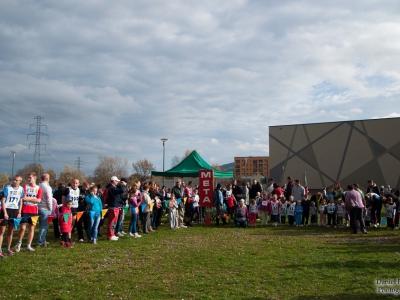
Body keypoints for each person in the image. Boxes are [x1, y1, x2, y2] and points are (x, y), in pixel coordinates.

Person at [15, 172, 42, 252]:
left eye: (30, 177)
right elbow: (23, 198)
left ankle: (28, 245)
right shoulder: (24, 187)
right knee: (23, 228)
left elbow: (38, 200)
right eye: (28, 177)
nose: (28, 179)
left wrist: (29, 199)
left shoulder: (38, 188)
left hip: (34, 210)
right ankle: (19, 243)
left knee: (31, 228)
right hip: (24, 209)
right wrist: (33, 199)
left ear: (35, 178)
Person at [0, 175, 24, 257]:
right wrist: (5, 212)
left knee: (11, 230)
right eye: (13, 180)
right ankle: (0, 250)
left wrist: (19, 212)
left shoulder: (21, 189)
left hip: (14, 210)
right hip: (6, 209)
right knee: (2, 230)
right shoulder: (7, 188)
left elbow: (21, 201)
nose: (14, 181)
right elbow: (3, 201)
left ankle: (8, 248)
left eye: (16, 180)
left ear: (20, 181)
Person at [107, 176, 127, 241]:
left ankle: (112, 234)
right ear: (114, 181)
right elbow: (121, 190)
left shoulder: (114, 187)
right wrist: (123, 185)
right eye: (117, 181)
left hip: (116, 205)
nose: (117, 182)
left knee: (114, 222)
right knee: (112, 221)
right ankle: (110, 235)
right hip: (113, 206)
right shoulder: (111, 188)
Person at [37, 173, 52, 247]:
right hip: (45, 208)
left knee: (41, 226)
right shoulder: (47, 187)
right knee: (44, 226)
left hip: (38, 208)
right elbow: (49, 199)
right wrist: (50, 208)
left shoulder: (38, 186)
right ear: (47, 179)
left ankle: (43, 240)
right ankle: (40, 242)